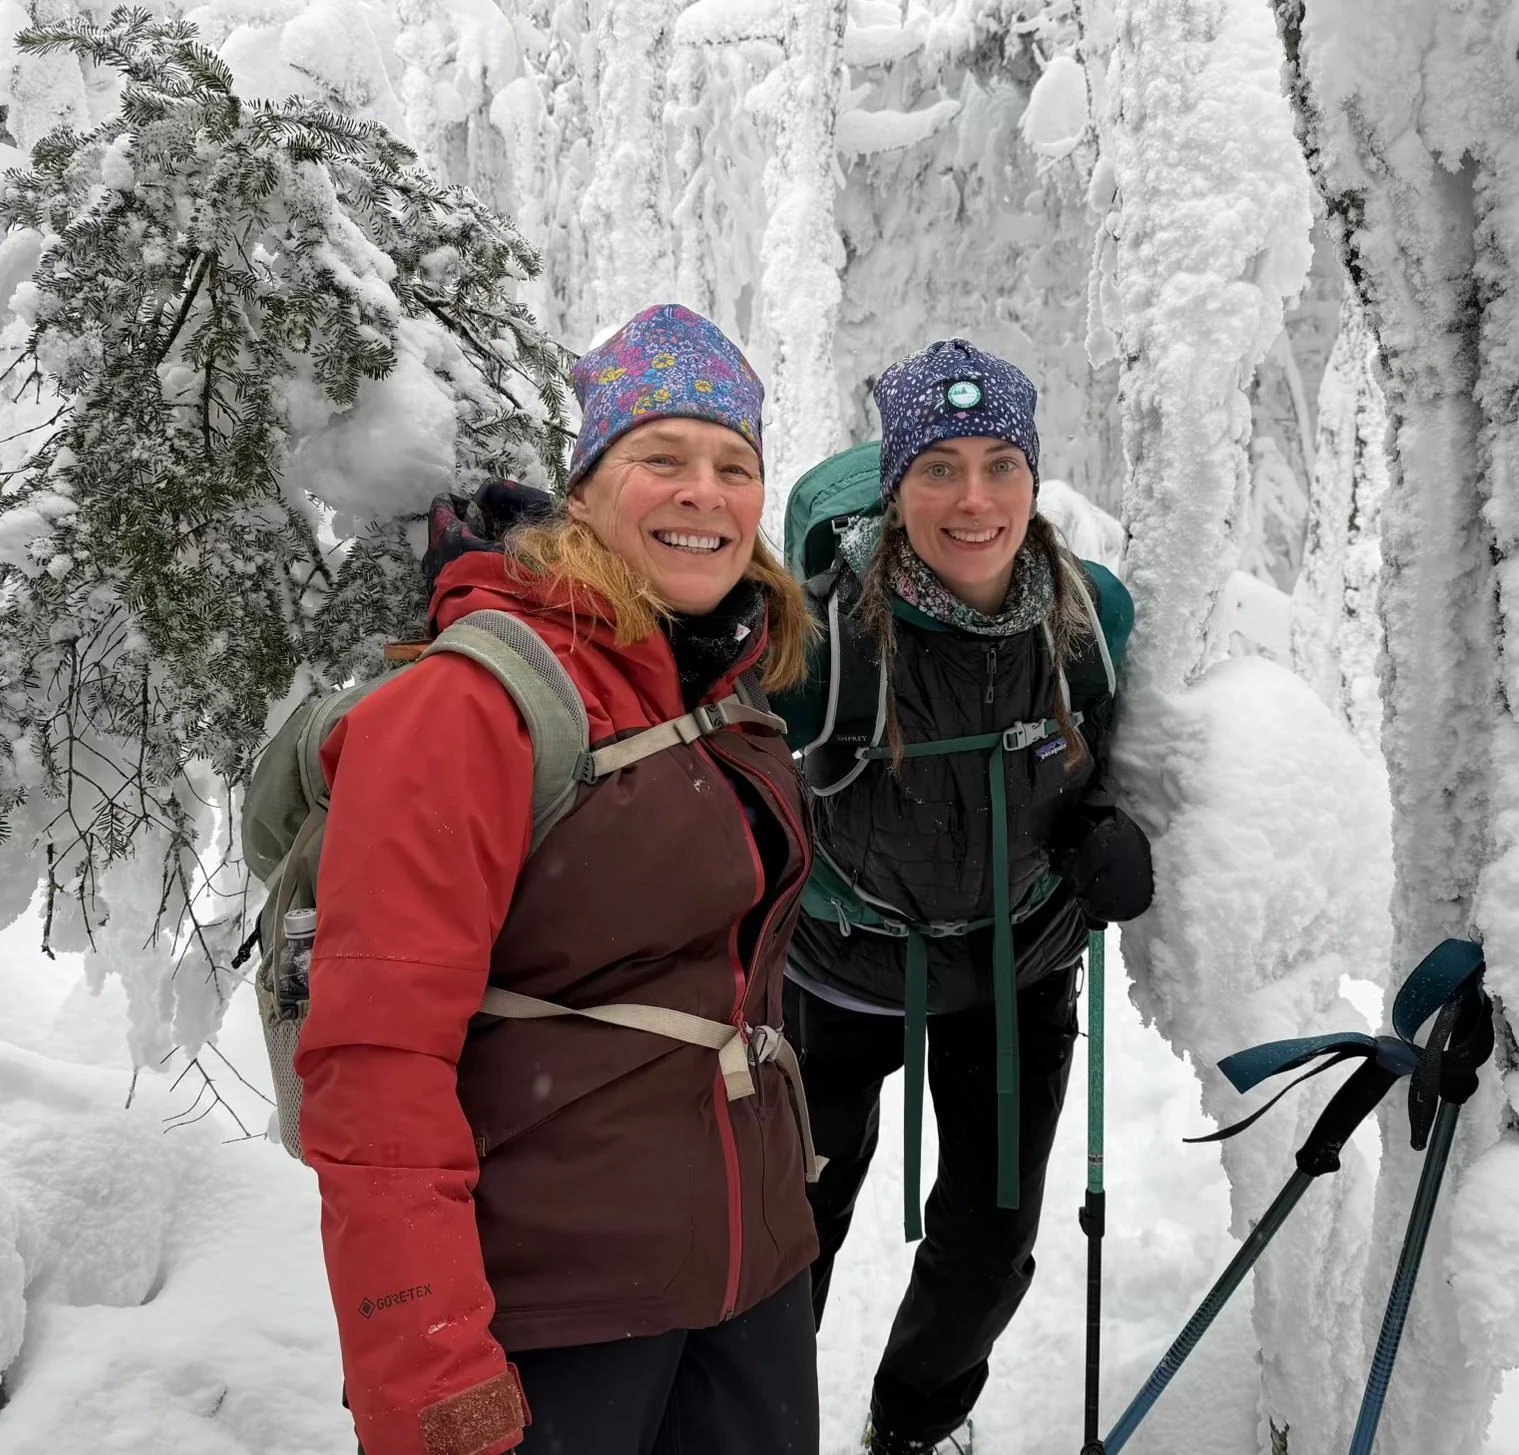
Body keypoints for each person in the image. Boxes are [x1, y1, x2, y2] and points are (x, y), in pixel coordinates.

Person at [295, 304, 821, 1455]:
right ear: (583, 492)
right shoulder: (469, 707)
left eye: (733, 466)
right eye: (662, 458)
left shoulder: (720, 677)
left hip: (752, 1281)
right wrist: (431, 1371)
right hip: (562, 1312)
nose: (704, 492)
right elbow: (376, 1068)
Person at [774, 341, 1156, 1455]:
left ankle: (915, 1426)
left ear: (1034, 477)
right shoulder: (825, 638)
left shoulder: (1090, 618)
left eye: (1000, 464)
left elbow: (1097, 756)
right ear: (896, 486)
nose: (974, 499)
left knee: (989, 1248)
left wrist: (1098, 831)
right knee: (787, 1235)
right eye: (937, 467)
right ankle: (757, 1421)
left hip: (1013, 963)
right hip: (839, 967)